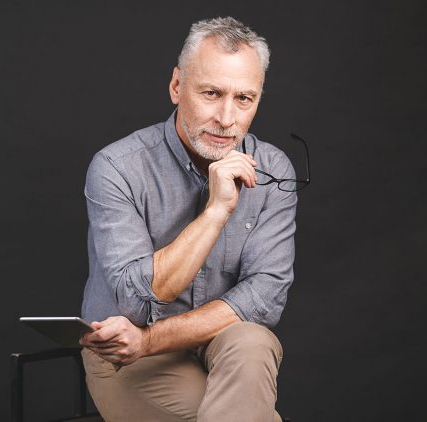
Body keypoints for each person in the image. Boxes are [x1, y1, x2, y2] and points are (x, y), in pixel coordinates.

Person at [79, 16, 297, 421]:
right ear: (177, 86)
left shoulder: (273, 170)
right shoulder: (117, 168)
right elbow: (136, 302)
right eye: (211, 93)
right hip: (128, 355)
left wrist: (150, 339)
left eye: (244, 98)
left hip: (212, 344)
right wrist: (216, 212)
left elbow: (265, 298)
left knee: (254, 340)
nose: (227, 118)